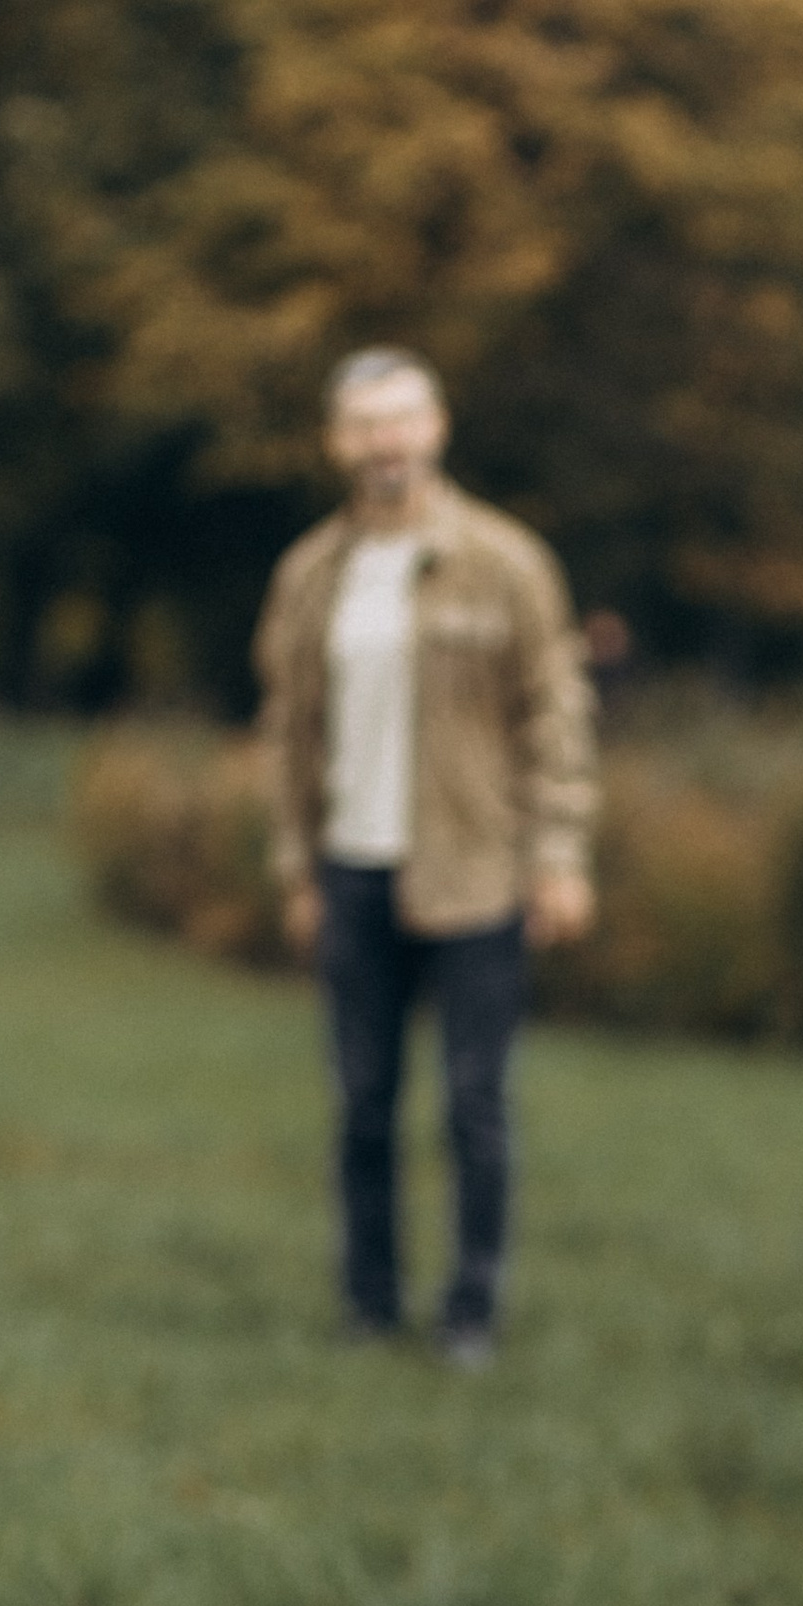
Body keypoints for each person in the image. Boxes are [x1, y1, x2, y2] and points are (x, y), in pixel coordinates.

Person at [255, 350, 598, 1362]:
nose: (386, 442)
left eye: (401, 419)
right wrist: (296, 867)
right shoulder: (311, 576)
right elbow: (289, 736)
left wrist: (559, 854)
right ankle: (369, 1306)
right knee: (363, 1105)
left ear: (437, 426)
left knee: (474, 1106)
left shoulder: (505, 562)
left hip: (474, 871)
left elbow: (556, 718)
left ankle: (470, 1311)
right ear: (338, 442)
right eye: (365, 424)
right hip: (353, 869)